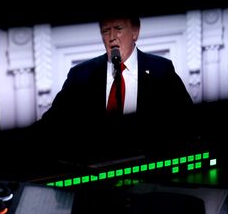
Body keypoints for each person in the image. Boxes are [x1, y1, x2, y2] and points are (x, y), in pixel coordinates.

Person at [33, 15, 194, 159]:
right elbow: (49, 128)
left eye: (118, 29)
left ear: (135, 31)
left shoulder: (161, 70)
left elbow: (187, 123)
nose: (112, 37)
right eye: (105, 30)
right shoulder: (81, 75)